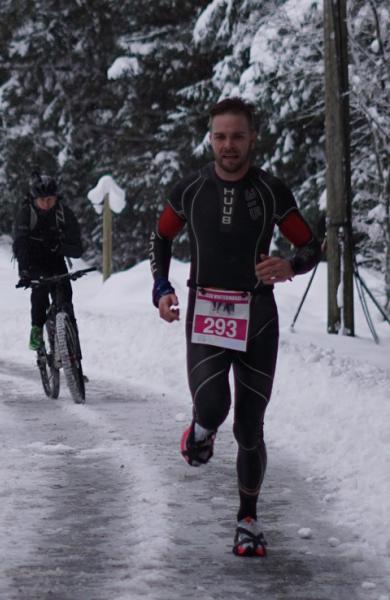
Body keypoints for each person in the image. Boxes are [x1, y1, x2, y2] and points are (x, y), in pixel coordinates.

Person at [150, 97, 320, 557]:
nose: (228, 146)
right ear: (211, 138)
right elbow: (162, 235)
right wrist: (161, 286)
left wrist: (290, 265)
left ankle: (248, 519)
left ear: (252, 139)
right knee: (212, 404)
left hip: (258, 316)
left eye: (237, 136)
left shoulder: (270, 191)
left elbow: (311, 245)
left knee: (250, 426)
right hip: (206, 310)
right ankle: (201, 430)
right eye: (220, 136)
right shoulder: (190, 189)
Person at [12, 171, 84, 351]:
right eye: (42, 200)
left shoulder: (64, 214)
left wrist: (60, 247)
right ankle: (36, 329)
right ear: (34, 199)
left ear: (56, 198)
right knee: (40, 293)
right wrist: (24, 272)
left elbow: (77, 248)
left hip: (56, 261)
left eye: (50, 199)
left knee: (66, 298)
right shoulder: (26, 214)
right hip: (33, 261)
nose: (46, 204)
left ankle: (73, 353)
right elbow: (20, 245)